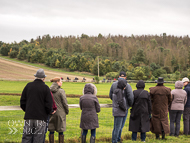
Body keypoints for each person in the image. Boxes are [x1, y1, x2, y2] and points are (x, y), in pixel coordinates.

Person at [20, 69, 53, 143]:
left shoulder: (28, 86)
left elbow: (22, 102)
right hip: (41, 118)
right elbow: (48, 104)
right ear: (44, 78)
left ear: (35, 77)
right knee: (38, 139)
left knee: (26, 138)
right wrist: (48, 112)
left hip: (29, 117)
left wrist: (28, 110)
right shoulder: (46, 88)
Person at [109, 71, 134, 143]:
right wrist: (129, 105)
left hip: (116, 107)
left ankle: (116, 139)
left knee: (116, 125)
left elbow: (110, 95)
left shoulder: (113, 85)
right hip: (123, 108)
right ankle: (117, 139)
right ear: (125, 77)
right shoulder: (127, 85)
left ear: (119, 76)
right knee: (120, 126)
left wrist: (115, 102)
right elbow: (130, 97)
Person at [48, 77, 69, 143]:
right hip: (60, 113)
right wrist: (67, 111)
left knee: (51, 129)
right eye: (61, 81)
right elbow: (64, 102)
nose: (62, 82)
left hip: (51, 112)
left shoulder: (48, 91)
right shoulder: (61, 91)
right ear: (57, 82)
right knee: (61, 130)